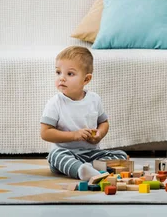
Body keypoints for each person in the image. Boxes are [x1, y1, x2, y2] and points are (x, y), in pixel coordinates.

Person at [40, 46, 128, 180]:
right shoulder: (55, 103)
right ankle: (81, 170)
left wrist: (99, 135)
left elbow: (103, 123)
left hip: (91, 153)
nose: (61, 78)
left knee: (121, 155)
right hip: (66, 152)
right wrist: (74, 135)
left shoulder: (94, 99)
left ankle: (90, 168)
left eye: (70, 74)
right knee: (55, 156)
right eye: (58, 72)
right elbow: (45, 133)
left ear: (86, 79)